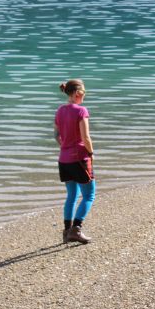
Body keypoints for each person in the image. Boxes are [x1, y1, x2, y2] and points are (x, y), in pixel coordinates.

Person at [54, 78, 95, 244]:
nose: (84, 96)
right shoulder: (81, 111)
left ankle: (66, 231)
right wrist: (91, 153)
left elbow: (56, 135)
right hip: (79, 159)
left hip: (63, 159)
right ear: (77, 93)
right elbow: (85, 137)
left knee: (71, 195)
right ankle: (76, 229)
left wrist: (65, 147)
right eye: (84, 92)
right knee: (88, 195)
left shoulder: (60, 110)